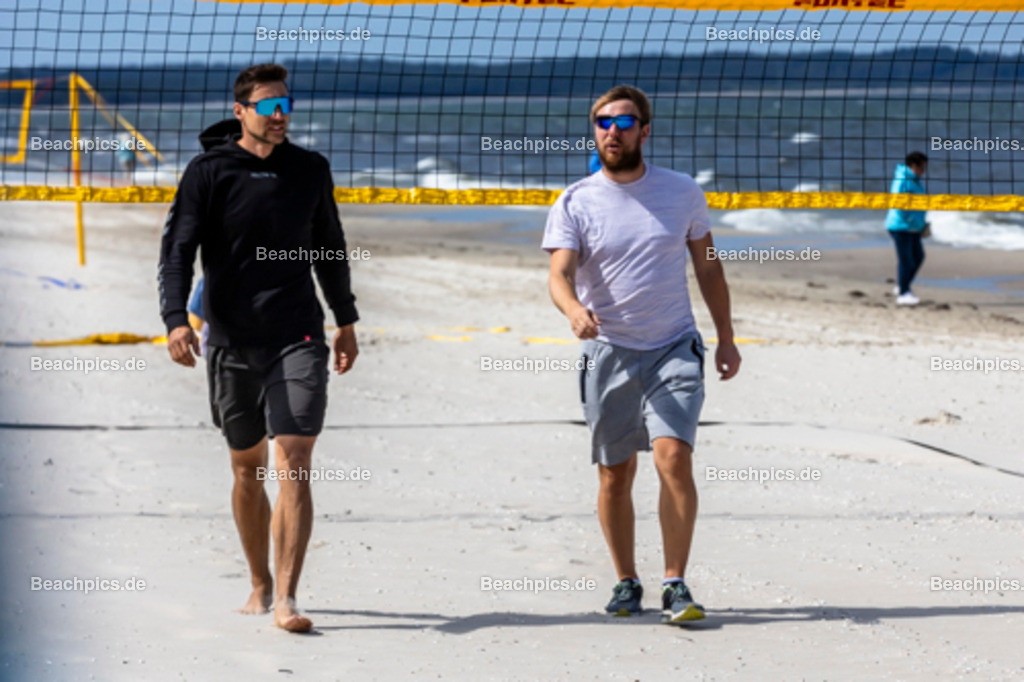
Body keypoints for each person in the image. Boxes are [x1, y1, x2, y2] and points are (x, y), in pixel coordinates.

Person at [158, 63, 359, 634]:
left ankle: (287, 600)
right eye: (268, 106)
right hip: (228, 339)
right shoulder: (209, 172)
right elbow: (178, 250)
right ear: (241, 110)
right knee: (246, 468)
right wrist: (177, 320)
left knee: (293, 460)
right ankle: (259, 582)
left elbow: (331, 247)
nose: (279, 115)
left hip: (297, 333)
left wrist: (345, 320)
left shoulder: (309, 169)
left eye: (285, 105)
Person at [542, 85, 741, 624]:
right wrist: (574, 310)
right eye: (603, 122)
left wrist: (725, 335)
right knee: (615, 474)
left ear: (644, 130)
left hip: (673, 344)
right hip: (608, 351)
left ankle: (675, 583)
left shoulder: (681, 192)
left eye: (624, 122)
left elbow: (708, 267)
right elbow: (558, 275)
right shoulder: (575, 200)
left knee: (674, 456)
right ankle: (626, 580)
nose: (613, 130)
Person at [885, 151, 929, 306]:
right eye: (923, 166)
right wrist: (912, 220)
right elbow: (899, 204)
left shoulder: (914, 180)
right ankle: (903, 294)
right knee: (907, 261)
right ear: (915, 165)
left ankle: (902, 286)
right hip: (901, 226)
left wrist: (921, 224)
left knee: (918, 257)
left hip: (912, 227)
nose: (925, 170)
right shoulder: (903, 179)